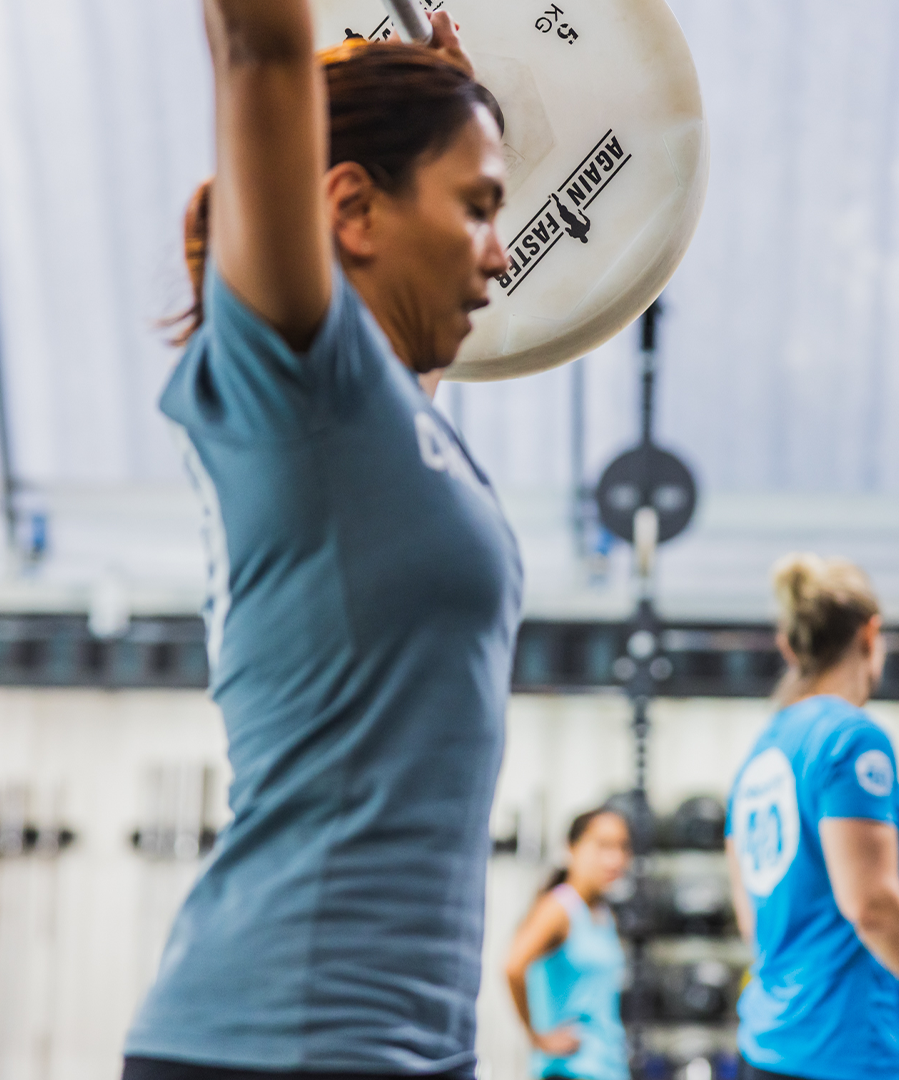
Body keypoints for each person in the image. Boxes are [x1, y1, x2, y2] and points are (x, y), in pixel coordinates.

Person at [123, 5, 522, 1079]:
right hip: (286, 1040)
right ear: (352, 206)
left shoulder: (389, 420)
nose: (501, 254)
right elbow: (260, 47)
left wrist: (439, 96)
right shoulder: (300, 377)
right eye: (477, 209)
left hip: (405, 1044)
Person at [726, 555, 899, 1080]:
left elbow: (756, 921)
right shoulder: (851, 738)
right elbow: (872, 907)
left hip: (768, 1044)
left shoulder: (763, 751)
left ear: (791, 647)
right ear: (870, 634)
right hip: (845, 1054)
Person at [505, 809, 632, 1080]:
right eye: (603, 845)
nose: (616, 858)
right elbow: (512, 967)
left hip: (607, 1069)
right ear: (572, 848)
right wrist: (536, 1037)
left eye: (623, 847)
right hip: (568, 1070)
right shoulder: (558, 909)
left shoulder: (603, 914)